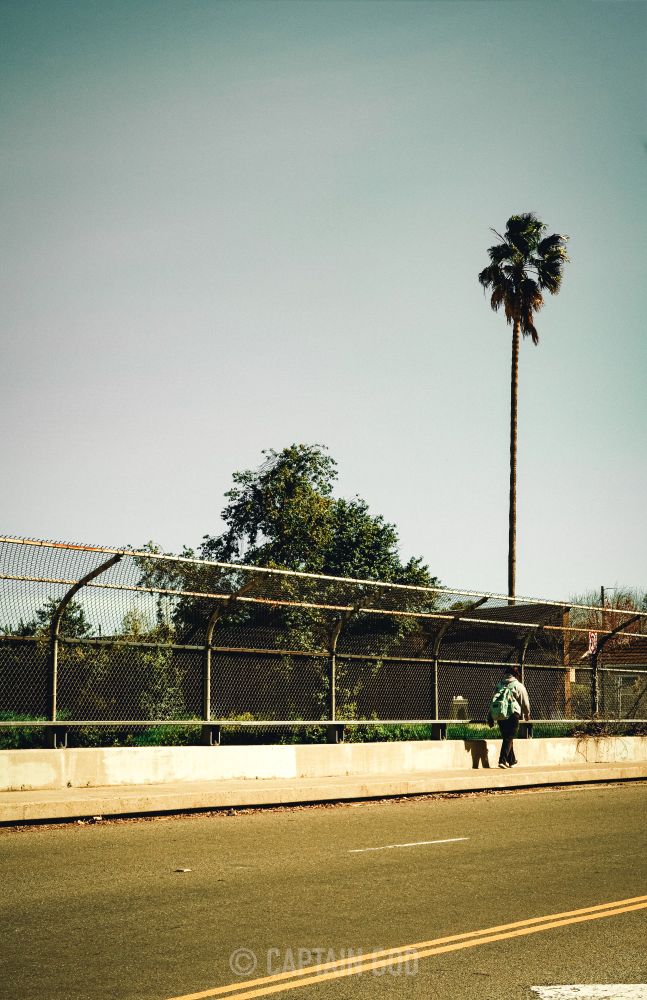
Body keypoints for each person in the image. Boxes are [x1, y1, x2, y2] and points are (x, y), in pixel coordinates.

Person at [487, 665, 530, 768]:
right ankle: (502, 760)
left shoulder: (499, 684)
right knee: (509, 737)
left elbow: (494, 700)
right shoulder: (518, 685)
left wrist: (490, 716)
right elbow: (525, 701)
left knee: (507, 737)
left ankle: (512, 761)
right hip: (512, 714)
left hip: (500, 714)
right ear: (516, 675)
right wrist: (527, 713)